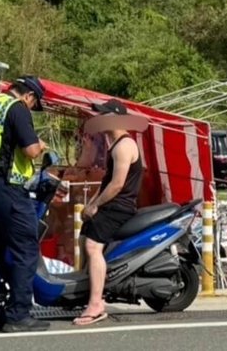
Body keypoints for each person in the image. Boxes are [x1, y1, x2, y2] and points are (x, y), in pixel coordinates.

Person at [0, 75, 50, 333]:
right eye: (33, 103)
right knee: (25, 249)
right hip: (7, 189)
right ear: (29, 96)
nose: (32, 108)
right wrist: (41, 146)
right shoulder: (17, 109)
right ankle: (18, 315)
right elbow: (29, 150)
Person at [74, 99, 147, 327]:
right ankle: (86, 291)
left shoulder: (125, 146)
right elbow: (105, 182)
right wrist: (90, 205)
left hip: (120, 206)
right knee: (84, 236)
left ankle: (96, 303)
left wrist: (95, 206)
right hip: (111, 204)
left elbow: (116, 185)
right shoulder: (113, 144)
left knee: (92, 246)